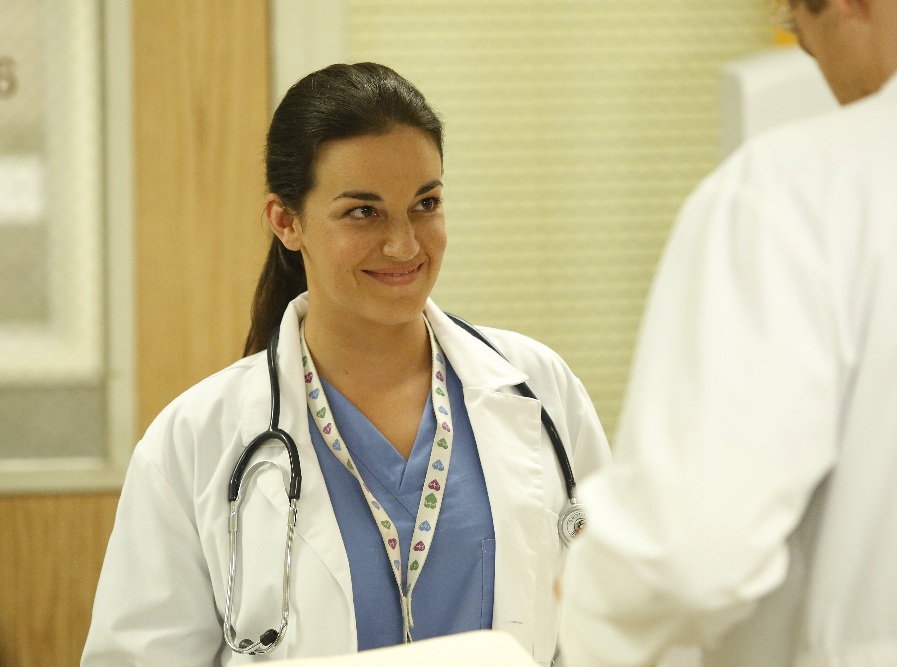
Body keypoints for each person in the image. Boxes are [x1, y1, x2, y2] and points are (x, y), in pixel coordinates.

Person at [83, 62, 610, 665]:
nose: (404, 244)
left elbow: (613, 626)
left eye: (426, 203)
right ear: (287, 222)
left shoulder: (538, 390)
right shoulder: (195, 439)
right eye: (364, 211)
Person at [558, 0, 897, 665]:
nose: (818, 68)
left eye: (804, 35)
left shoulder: (794, 187)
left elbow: (689, 556)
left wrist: (589, 597)